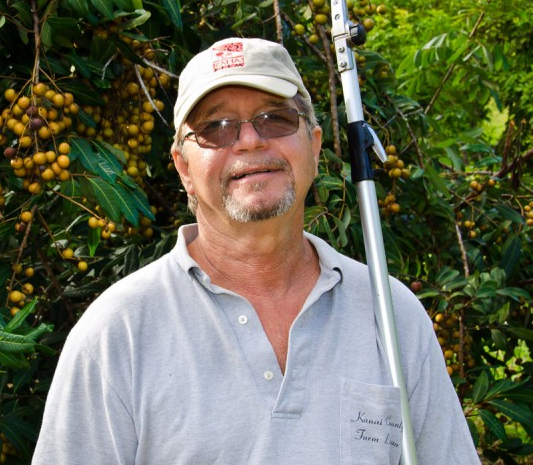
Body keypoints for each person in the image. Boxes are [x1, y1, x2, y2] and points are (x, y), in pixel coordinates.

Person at [32, 37, 480, 464]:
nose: (249, 140)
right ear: (184, 167)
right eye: (215, 128)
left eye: (275, 118)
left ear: (315, 145)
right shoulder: (117, 333)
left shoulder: (392, 312)